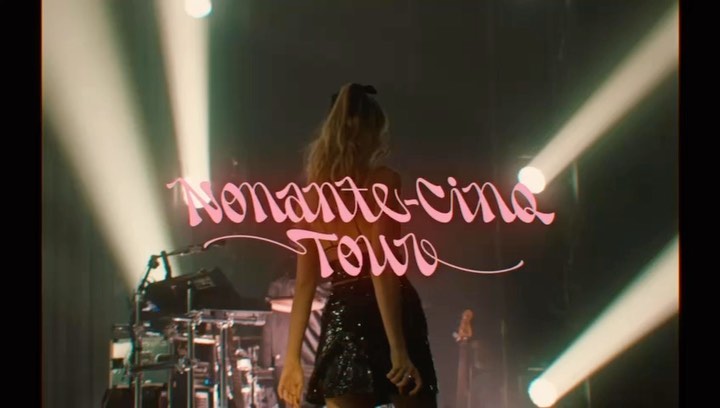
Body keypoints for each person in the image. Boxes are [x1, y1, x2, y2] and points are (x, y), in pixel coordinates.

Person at [278, 83, 438, 408]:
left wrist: (291, 359)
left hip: (345, 313)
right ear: (368, 132)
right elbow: (381, 266)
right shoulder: (383, 181)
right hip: (391, 309)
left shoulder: (311, 198)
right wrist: (397, 348)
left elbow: (305, 283)